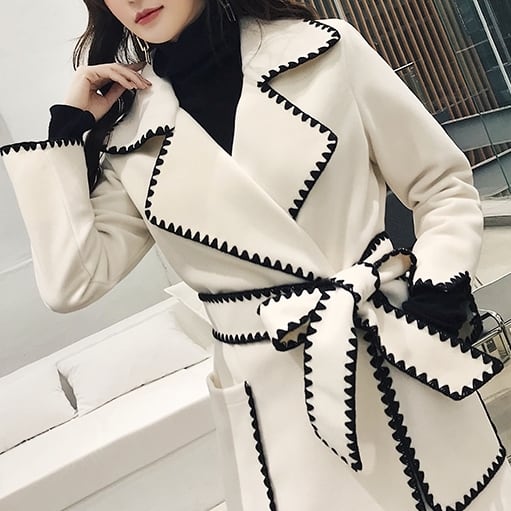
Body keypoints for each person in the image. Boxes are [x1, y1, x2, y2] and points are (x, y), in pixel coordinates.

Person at [2, 0, 511, 509]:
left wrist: (440, 281)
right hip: (276, 407)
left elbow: (440, 185)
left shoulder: (326, 50)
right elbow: (72, 283)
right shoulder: (128, 135)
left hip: (390, 351)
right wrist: (67, 133)